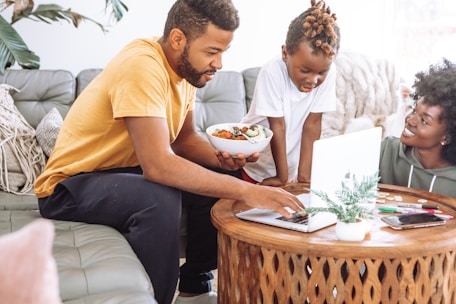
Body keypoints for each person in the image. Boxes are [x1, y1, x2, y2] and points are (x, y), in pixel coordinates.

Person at [33, 1, 304, 303]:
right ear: (178, 39)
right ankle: (157, 299)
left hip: (120, 173)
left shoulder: (186, 71)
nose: (220, 64)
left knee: (216, 176)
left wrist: (225, 159)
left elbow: (184, 141)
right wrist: (248, 191)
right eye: (212, 52)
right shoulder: (142, 67)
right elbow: (159, 166)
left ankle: (195, 287)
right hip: (68, 187)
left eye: (223, 52)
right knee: (159, 197)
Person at [240, 0, 340, 186]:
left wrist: (304, 177)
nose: (313, 80)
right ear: (285, 54)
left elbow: (312, 124)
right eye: (304, 70)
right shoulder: (272, 71)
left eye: (321, 73)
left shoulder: (330, 71)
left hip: (289, 168)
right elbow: (277, 126)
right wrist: (282, 177)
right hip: (257, 165)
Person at [379, 59, 456, 198]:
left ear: (447, 136)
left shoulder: (452, 183)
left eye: (424, 121)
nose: (410, 120)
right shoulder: (385, 152)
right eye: (414, 110)